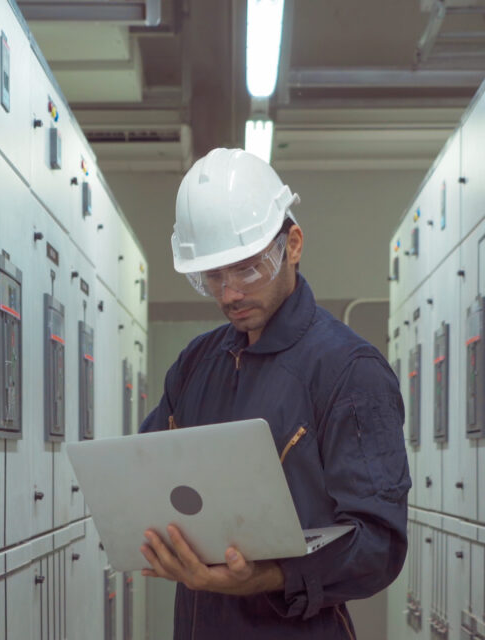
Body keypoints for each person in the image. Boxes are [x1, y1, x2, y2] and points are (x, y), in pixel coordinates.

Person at [138, 148, 411, 639]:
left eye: (245, 269)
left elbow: (379, 547)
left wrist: (268, 576)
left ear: (293, 244)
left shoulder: (350, 372)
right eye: (212, 276)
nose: (229, 295)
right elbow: (145, 473)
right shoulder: (196, 364)